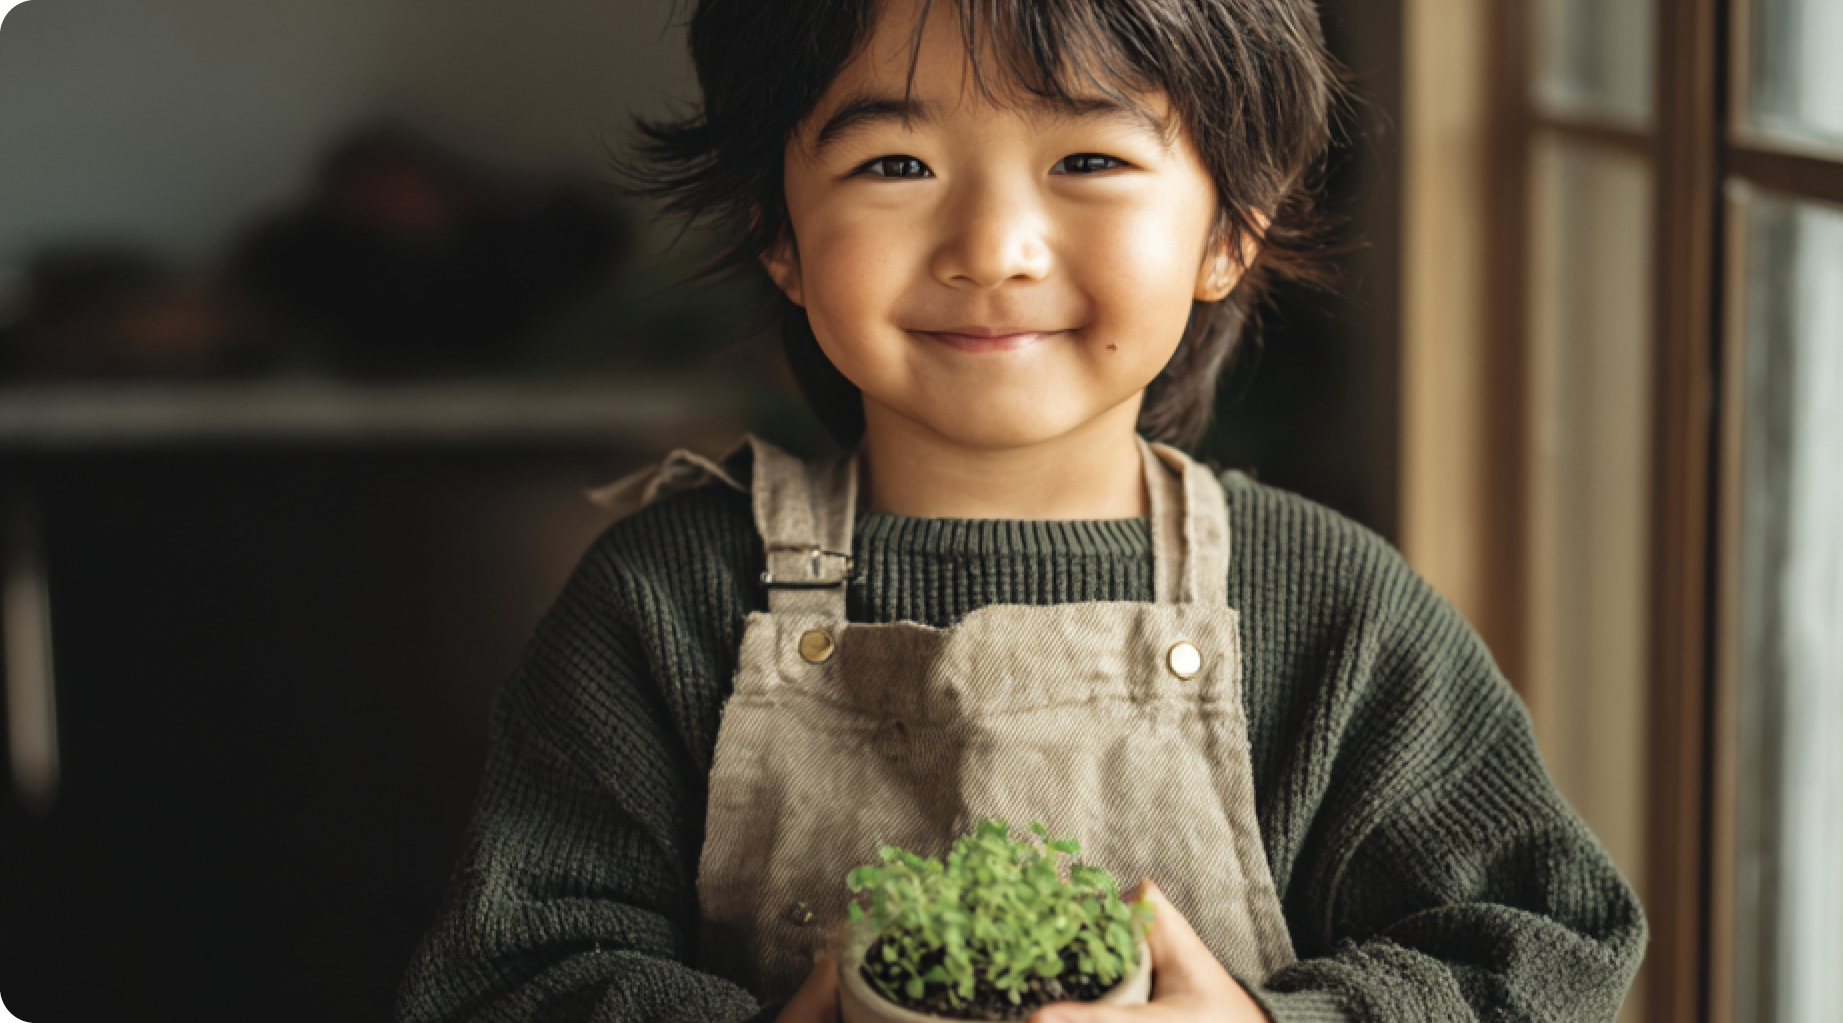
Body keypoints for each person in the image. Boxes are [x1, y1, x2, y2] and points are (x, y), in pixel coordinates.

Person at [394, 0, 1648, 1020]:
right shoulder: (662, 601)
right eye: (896, 162)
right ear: (779, 233)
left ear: (1231, 231)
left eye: (1089, 160)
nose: (992, 245)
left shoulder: (1326, 604)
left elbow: (1547, 951)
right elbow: (506, 975)